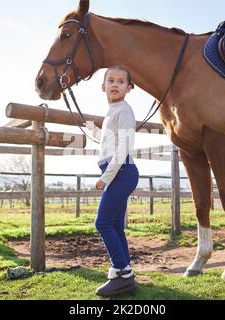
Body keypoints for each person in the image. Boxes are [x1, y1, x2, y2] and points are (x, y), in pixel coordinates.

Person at [84, 65, 139, 297]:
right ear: (103, 86)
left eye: (120, 81)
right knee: (115, 225)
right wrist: (92, 130)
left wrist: (105, 178)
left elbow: (123, 147)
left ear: (129, 87)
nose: (115, 84)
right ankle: (124, 273)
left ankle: (122, 272)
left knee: (102, 223)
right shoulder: (112, 112)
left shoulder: (124, 111)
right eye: (111, 81)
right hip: (118, 170)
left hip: (120, 172)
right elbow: (109, 141)